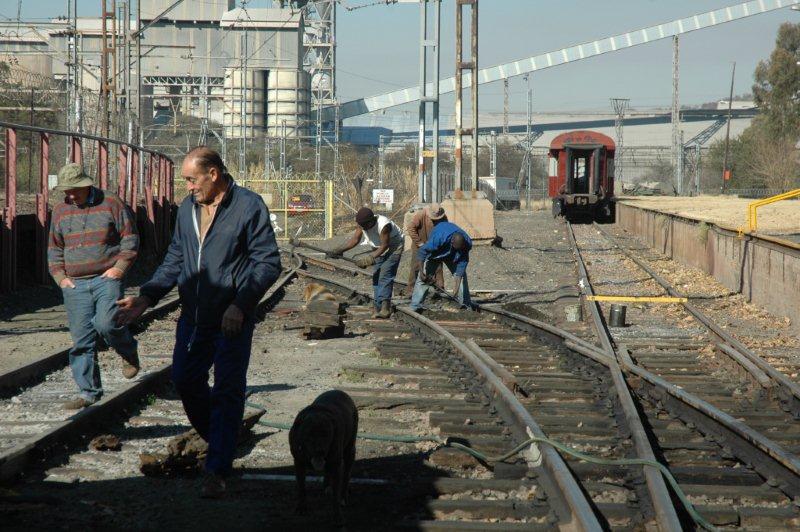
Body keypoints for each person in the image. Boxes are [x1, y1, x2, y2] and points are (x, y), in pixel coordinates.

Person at [115, 147, 281, 498]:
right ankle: (223, 438)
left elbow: (267, 262)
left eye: (192, 179)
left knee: (227, 388)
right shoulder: (187, 209)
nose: (187, 186)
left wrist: (241, 304)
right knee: (184, 379)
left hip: (231, 318)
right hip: (193, 316)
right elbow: (176, 258)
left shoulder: (248, 206)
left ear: (214, 174)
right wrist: (147, 296)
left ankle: (217, 468)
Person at [48, 163, 140, 410]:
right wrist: (61, 278)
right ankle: (89, 392)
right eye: (66, 191)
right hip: (75, 284)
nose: (70, 195)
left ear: (87, 185)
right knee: (81, 340)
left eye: (74, 190)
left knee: (107, 322)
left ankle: (128, 350)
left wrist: (119, 268)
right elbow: (55, 248)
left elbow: (130, 238)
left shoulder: (111, 203)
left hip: (105, 278)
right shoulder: (60, 210)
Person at [334, 207, 404, 318]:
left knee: (385, 275)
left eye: (364, 226)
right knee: (376, 276)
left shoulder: (384, 225)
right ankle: (377, 307)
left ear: (371, 221)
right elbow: (355, 240)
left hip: (393, 246)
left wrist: (369, 258)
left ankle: (385, 308)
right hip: (377, 247)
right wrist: (339, 250)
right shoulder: (362, 224)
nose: (362, 228)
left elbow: (385, 245)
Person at [409, 221, 473, 312]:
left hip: (453, 256)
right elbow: (422, 252)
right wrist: (422, 273)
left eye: (459, 248)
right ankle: (415, 306)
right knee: (423, 279)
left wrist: (456, 289)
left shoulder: (466, 244)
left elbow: (461, 266)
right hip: (436, 253)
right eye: (455, 247)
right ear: (452, 242)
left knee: (462, 278)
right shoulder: (439, 238)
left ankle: (465, 306)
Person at [404, 203, 446, 296]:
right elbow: (410, 228)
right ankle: (410, 289)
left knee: (438, 265)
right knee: (415, 266)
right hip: (419, 245)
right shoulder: (421, 214)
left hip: (435, 244)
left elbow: (444, 229)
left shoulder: (443, 216)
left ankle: (440, 288)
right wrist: (419, 242)